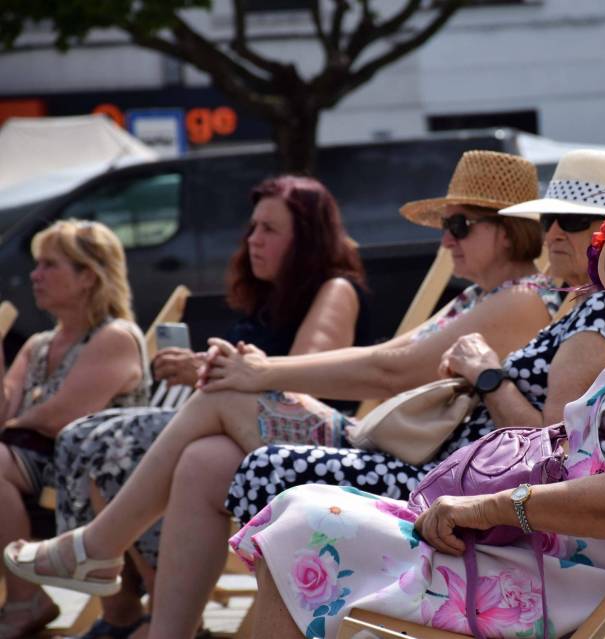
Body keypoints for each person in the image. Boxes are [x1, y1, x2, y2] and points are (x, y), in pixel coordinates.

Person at [229, 163, 605, 639]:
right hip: (528, 550)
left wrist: (488, 509)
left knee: (303, 521)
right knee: (296, 512)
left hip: (561, 579)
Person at [2, 150, 560, 636]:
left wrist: (263, 372)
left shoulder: (521, 299)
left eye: (459, 225)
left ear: (506, 231)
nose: (445, 239)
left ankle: (98, 546)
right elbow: (391, 358)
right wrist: (260, 371)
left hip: (419, 469)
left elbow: (392, 371)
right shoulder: (477, 298)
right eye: (444, 224)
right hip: (395, 446)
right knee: (204, 461)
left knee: (220, 397)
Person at [50, 174, 372, 639]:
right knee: (83, 435)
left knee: (111, 442)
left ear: (306, 239)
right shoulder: (270, 298)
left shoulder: (334, 289)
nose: (253, 239)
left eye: (269, 229)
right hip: (234, 430)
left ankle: (143, 595)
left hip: (294, 439)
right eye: (252, 227)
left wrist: (206, 367)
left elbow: (302, 375)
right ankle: (121, 609)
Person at [0, 220, 150, 639]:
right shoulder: (39, 344)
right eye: (37, 265)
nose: (35, 275)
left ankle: (24, 600)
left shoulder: (114, 337)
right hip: (37, 462)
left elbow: (60, 417)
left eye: (50, 265)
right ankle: (24, 599)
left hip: (98, 468)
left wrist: (16, 420)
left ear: (88, 276)